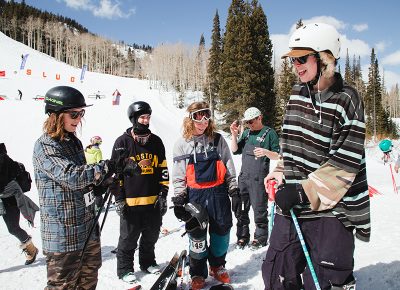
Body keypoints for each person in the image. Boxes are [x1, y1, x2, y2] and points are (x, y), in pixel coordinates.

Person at [262, 23, 369, 290]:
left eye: (302, 58)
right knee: (277, 274)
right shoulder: (297, 94)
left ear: (324, 58)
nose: (296, 65)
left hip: (332, 211)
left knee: (324, 280)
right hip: (293, 205)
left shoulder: (347, 99)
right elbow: (289, 147)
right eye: (293, 60)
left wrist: (302, 192)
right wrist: (278, 172)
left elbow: (345, 163)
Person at [32, 86, 122, 289]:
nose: (79, 118)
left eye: (81, 113)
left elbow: (83, 182)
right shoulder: (46, 146)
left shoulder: (73, 142)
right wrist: (108, 166)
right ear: (55, 115)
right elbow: (71, 176)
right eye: (74, 113)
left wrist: (102, 185)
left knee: (88, 284)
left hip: (87, 230)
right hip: (63, 237)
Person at [172, 101, 239, 290]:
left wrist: (233, 188)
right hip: (195, 195)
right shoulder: (181, 145)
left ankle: (217, 265)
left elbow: (228, 165)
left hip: (218, 193)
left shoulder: (217, 140)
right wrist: (179, 198)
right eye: (197, 119)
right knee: (197, 237)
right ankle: (198, 273)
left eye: (205, 119)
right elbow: (178, 175)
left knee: (222, 232)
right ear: (190, 119)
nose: (202, 123)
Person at [110, 101, 169, 284]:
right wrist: (119, 198)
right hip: (131, 203)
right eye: (142, 117)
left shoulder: (156, 141)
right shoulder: (122, 142)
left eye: (148, 117)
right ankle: (125, 269)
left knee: (151, 236)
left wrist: (163, 194)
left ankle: (147, 262)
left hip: (152, 201)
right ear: (134, 119)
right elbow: (115, 173)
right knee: (128, 239)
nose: (146, 120)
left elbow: (163, 169)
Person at [230, 107, 280, 249]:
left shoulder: (270, 134)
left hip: (259, 179)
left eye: (251, 121)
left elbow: (278, 155)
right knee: (241, 209)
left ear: (260, 118)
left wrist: (265, 152)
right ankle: (242, 237)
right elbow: (234, 150)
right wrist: (234, 135)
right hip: (244, 178)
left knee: (259, 209)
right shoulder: (246, 134)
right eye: (247, 122)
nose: (250, 124)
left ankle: (260, 238)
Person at [0, 143, 38, 265]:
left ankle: (30, 248)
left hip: (10, 198)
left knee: (13, 228)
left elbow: (2, 181)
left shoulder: (2, 158)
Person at [85, 136, 104, 210]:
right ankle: (99, 206)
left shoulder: (86, 150)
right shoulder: (98, 151)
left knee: (89, 189)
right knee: (98, 189)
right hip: (96, 172)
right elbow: (100, 162)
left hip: (87, 171)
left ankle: (90, 206)